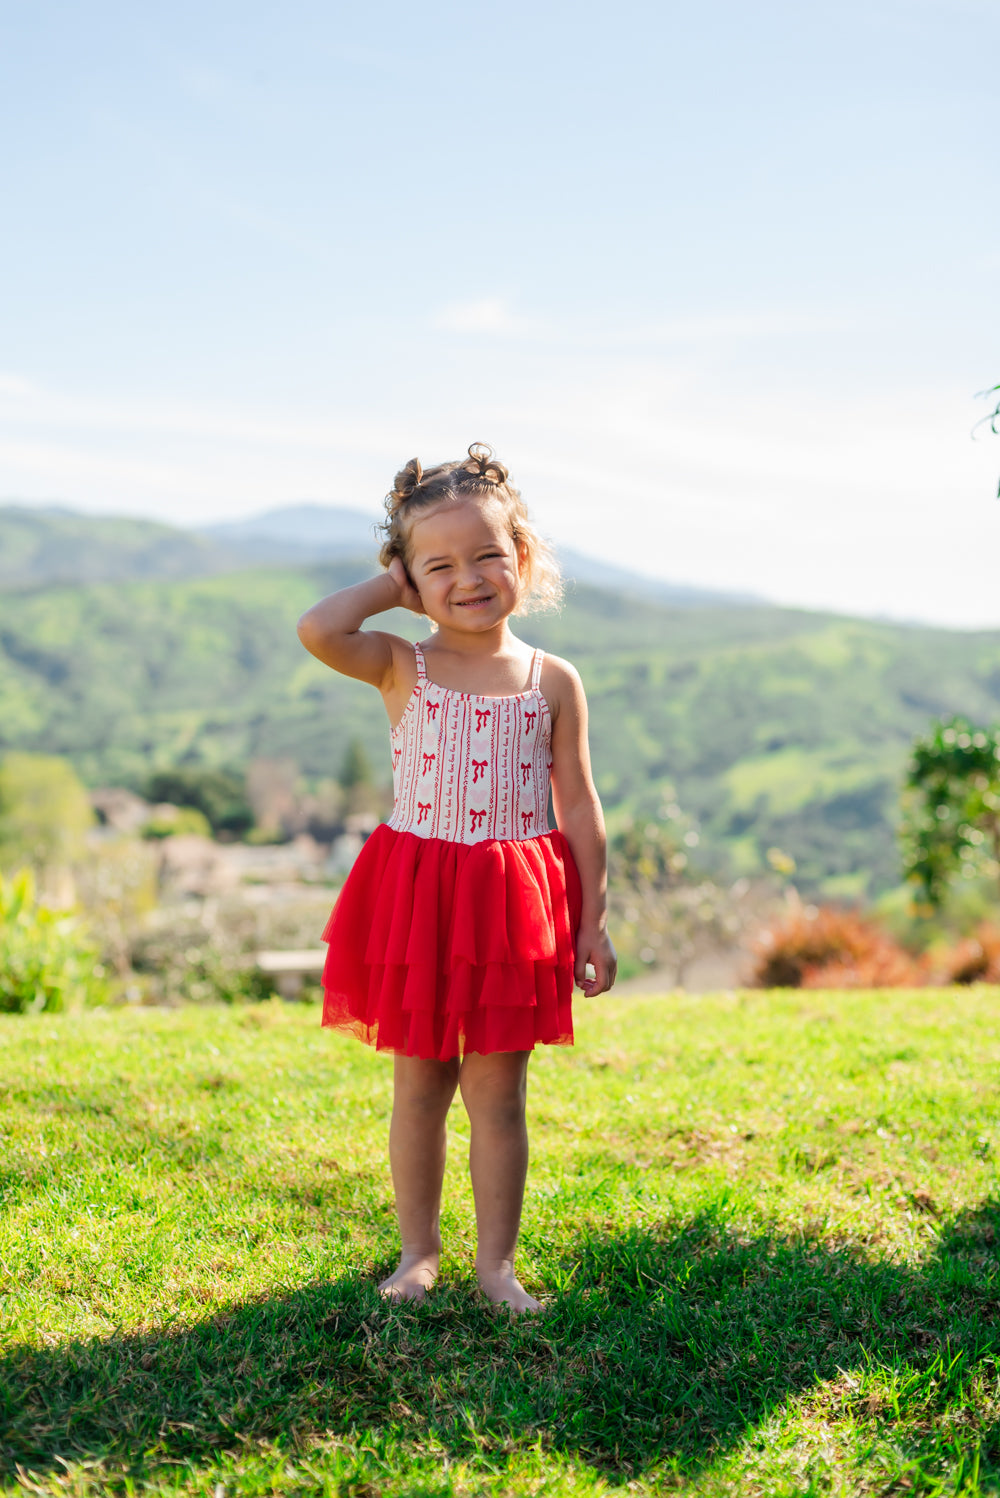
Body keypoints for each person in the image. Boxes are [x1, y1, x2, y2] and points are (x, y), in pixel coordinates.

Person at [297, 442, 616, 1312]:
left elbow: (580, 807)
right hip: (419, 899)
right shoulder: (404, 663)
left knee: (498, 1092)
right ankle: (419, 1254)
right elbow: (321, 630)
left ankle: (495, 1266)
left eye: (487, 555)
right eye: (438, 565)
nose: (468, 578)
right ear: (407, 576)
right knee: (421, 1082)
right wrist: (392, 588)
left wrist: (591, 921)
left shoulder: (553, 679)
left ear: (525, 558)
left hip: (513, 909)